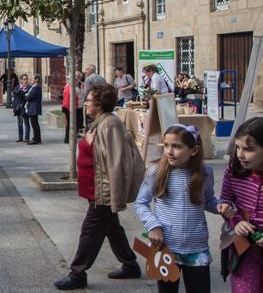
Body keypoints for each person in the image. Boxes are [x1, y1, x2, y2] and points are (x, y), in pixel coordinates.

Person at [54, 84, 144, 290]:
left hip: (101, 191)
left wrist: (112, 195)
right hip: (96, 189)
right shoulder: (100, 122)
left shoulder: (109, 125)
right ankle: (130, 264)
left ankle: (77, 273)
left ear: (101, 103)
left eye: (90, 99)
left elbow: (115, 163)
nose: (85, 102)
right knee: (112, 228)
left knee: (90, 230)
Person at [134, 124, 229, 293]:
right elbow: (140, 202)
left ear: (194, 150)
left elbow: (208, 201)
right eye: (166, 145)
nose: (169, 151)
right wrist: (153, 226)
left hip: (197, 249)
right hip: (166, 248)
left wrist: (220, 206)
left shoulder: (205, 172)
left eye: (176, 146)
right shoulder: (155, 173)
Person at [218, 117, 263, 293]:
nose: (240, 154)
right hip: (243, 249)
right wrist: (235, 220)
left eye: (249, 149)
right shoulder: (234, 169)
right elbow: (226, 200)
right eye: (238, 147)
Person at [82, 64, 106, 129]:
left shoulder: (88, 79)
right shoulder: (102, 78)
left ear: (91, 70)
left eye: (87, 69)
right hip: (101, 102)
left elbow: (86, 92)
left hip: (91, 102)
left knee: (90, 121)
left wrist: (85, 103)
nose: (85, 71)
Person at [25, 74, 43, 145]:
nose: (31, 80)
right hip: (32, 107)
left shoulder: (36, 87)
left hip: (34, 107)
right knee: (34, 124)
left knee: (34, 124)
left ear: (37, 80)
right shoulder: (34, 87)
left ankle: (36, 139)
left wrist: (26, 96)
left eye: (33, 78)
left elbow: (29, 97)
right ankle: (37, 138)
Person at [62, 74, 80, 144]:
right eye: (76, 80)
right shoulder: (70, 88)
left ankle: (68, 138)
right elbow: (67, 100)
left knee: (70, 124)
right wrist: (71, 109)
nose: (77, 82)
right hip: (69, 108)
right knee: (70, 124)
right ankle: (68, 138)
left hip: (68, 107)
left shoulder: (69, 87)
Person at [13, 74, 30, 143]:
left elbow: (27, 97)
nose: (25, 80)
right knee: (19, 123)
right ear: (21, 80)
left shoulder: (29, 88)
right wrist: (21, 91)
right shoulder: (17, 87)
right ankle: (20, 137)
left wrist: (22, 93)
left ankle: (26, 137)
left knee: (26, 123)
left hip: (25, 107)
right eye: (24, 79)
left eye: (27, 79)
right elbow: (15, 95)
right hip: (18, 108)